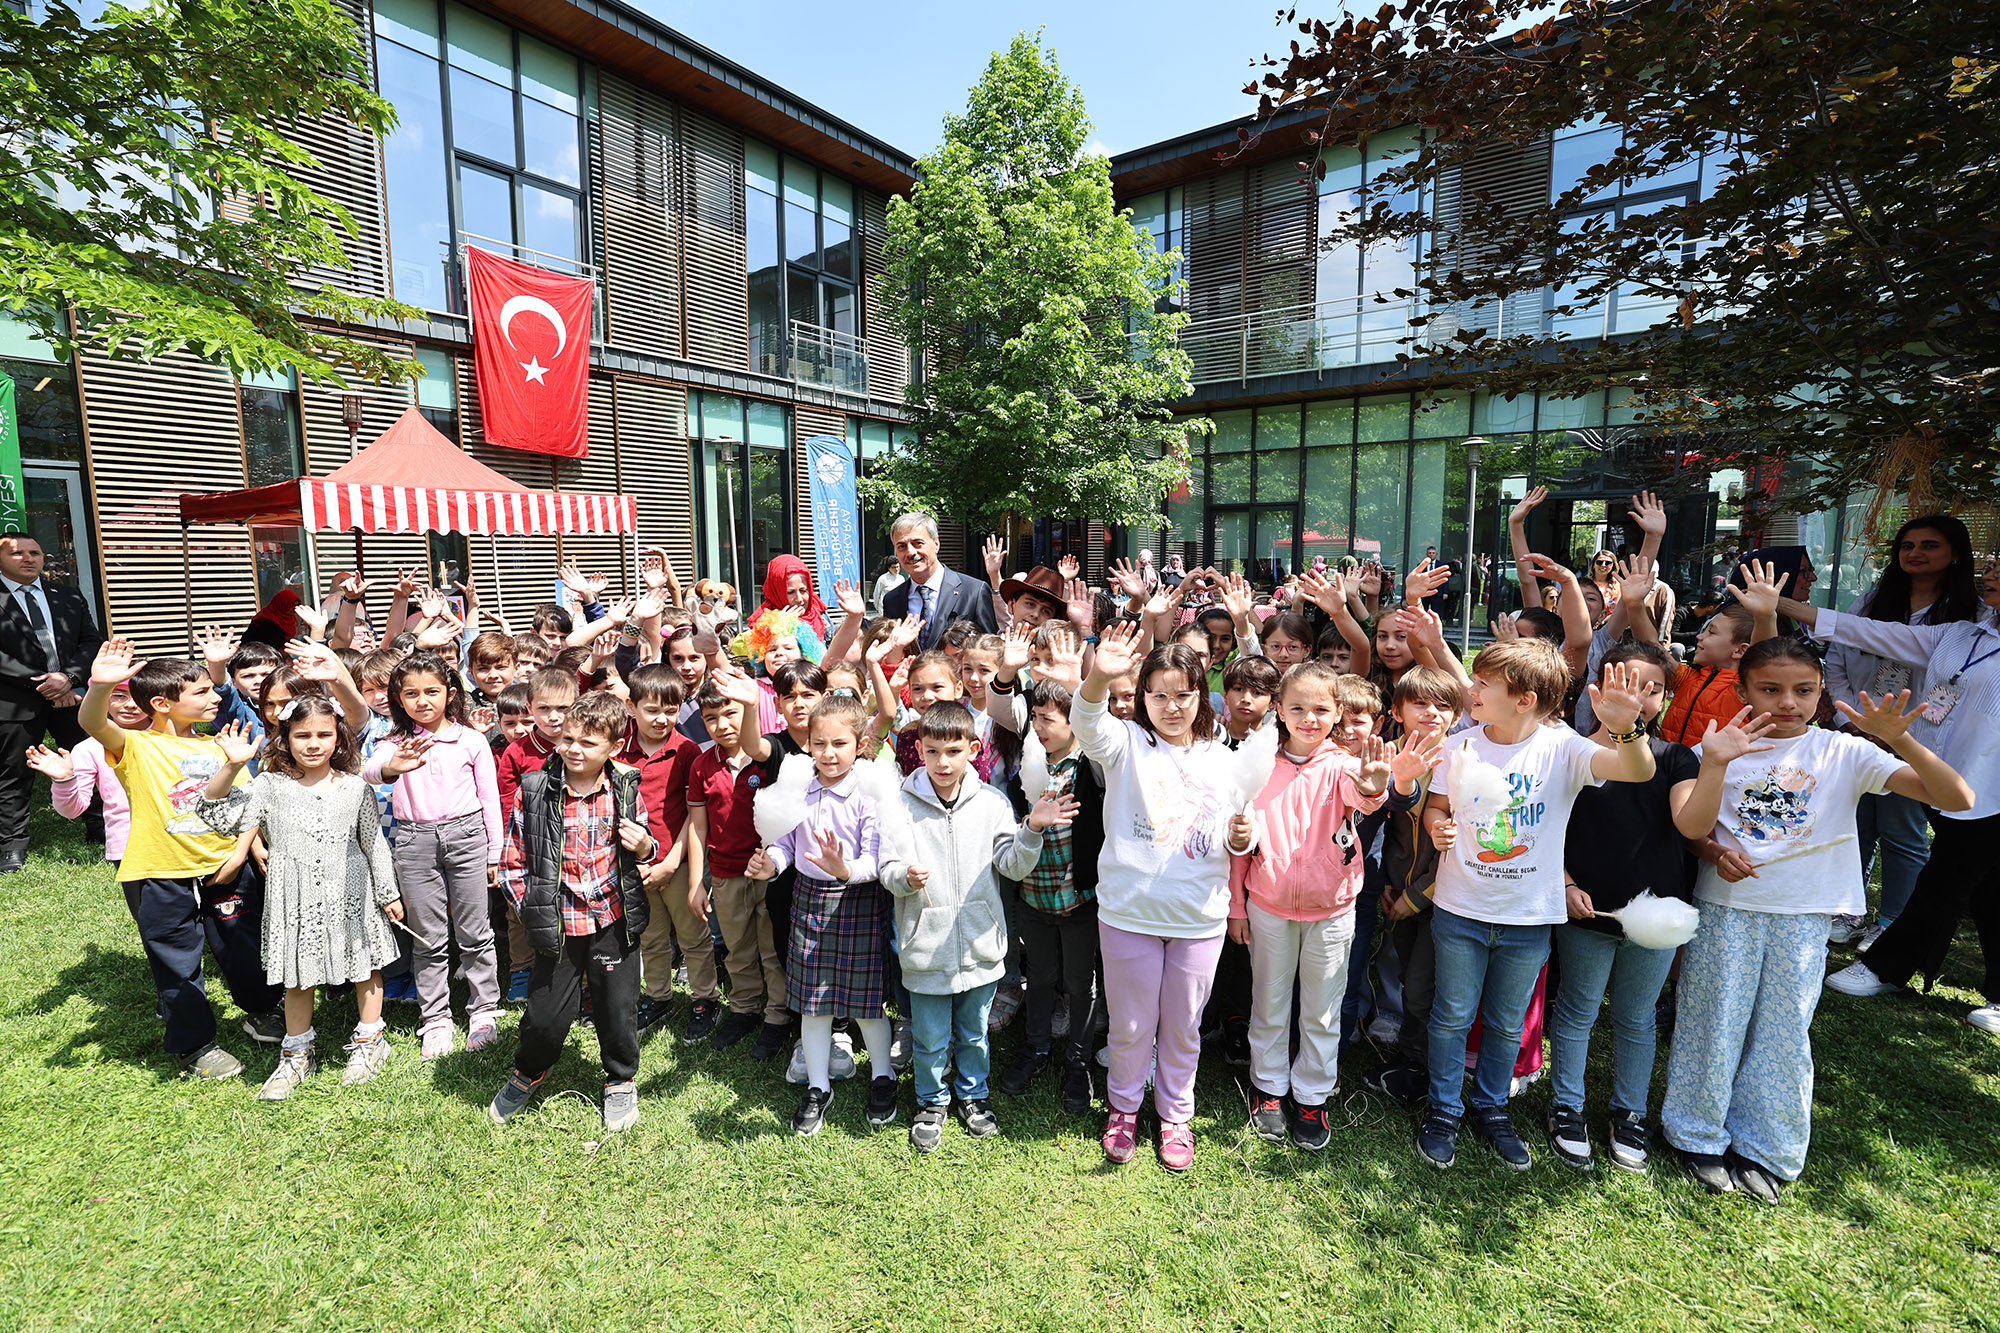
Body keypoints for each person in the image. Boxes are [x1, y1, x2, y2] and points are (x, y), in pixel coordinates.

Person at [1662, 635, 1971, 1202]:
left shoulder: (1843, 752)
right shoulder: (1721, 746)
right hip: (1727, 908)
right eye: (1770, 689)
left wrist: (1901, 739)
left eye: (1803, 690)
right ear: (1743, 691)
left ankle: (1766, 1146)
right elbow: (1691, 827)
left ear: (1821, 690)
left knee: (1785, 1033)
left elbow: (1957, 798)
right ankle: (1697, 1134)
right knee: (1712, 1022)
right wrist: (1716, 768)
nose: (1788, 702)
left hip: (1804, 915)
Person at [1417, 639, 1657, 1171]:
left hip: (1527, 919)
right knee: (1452, 1016)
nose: (1471, 689)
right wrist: (1437, 828)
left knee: (1507, 1023)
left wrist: (1626, 727)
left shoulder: (1563, 748)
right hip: (1460, 910)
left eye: (1484, 684)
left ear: (1524, 700)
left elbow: (1637, 770)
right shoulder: (1459, 746)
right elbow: (1436, 807)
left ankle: (1492, 1107)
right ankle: (1444, 1110)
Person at [1770, 561, 2000, 1035]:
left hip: (1988, 791)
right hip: (1946, 777)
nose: (1990, 571)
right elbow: (1865, 631)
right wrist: (1779, 605)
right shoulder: (1962, 634)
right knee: (1986, 889)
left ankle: (1886, 966)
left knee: (1946, 879)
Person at [1231, 661, 1437, 1151]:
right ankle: (1268, 1087)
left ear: (1337, 711)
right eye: (1297, 708)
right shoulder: (1256, 763)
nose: (1309, 718)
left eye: (1321, 710)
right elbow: (1238, 841)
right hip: (1268, 905)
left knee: (1323, 1008)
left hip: (1332, 909)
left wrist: (1376, 784)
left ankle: (1312, 1093)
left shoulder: (1344, 764)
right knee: (1269, 1001)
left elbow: (1365, 796)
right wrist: (1237, 905)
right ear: (1279, 709)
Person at [1067, 624, 1246, 1172]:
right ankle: (1123, 1108)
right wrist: (1100, 676)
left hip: (1198, 917)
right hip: (1129, 913)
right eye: (1158, 695)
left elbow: (1242, 828)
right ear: (1142, 697)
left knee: (1183, 1025)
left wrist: (1244, 837)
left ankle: (1175, 1116)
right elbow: (1086, 722)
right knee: (1129, 1025)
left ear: (1202, 694)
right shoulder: (1125, 744)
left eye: (1183, 694)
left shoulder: (1223, 756)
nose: (1171, 707)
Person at [79, 639, 284, 1077]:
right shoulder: (135, 746)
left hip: (227, 867)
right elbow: (91, 721)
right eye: (202, 692)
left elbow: (249, 805)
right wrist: (100, 685)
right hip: (161, 872)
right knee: (176, 960)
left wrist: (241, 854)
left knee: (244, 945)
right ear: (162, 704)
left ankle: (265, 1010)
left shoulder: (219, 746)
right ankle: (195, 1046)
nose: (216, 697)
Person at [1545, 641, 1705, 1173]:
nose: (1638, 698)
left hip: (1654, 916)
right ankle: (1566, 1106)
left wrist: (1717, 764)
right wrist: (1565, 882)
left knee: (1638, 1016)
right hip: (1587, 912)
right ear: (1598, 688)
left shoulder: (1676, 758)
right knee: (1577, 1009)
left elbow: (1689, 824)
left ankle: (1629, 1113)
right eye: (1627, 684)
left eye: (1652, 689)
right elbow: (1545, 829)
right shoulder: (1569, 753)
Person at [881, 701, 1065, 1153]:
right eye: (932, 752)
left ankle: (973, 1095)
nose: (942, 762)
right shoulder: (900, 805)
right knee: (929, 1038)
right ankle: (931, 1101)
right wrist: (904, 877)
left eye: (953, 751)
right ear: (918, 751)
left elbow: (1013, 866)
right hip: (925, 947)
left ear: (973, 749)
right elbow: (886, 867)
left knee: (974, 1033)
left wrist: (1031, 831)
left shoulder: (992, 804)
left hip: (981, 946)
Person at [197, 699, 405, 1099]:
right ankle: (297, 1053)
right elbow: (217, 815)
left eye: (324, 734)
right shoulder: (269, 786)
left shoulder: (355, 787)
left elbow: (373, 843)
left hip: (352, 892)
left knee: (365, 966)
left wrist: (387, 892)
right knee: (298, 973)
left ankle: (370, 1041)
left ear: (338, 738)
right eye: (302, 735)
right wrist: (232, 766)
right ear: (286, 739)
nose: (313, 744)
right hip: (294, 897)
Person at [488, 690, 660, 1134]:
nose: (574, 749)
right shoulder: (534, 790)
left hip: (612, 921)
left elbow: (647, 844)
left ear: (615, 746)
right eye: (568, 739)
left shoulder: (625, 787)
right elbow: (511, 863)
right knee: (544, 1018)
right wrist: (533, 909)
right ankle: (530, 1070)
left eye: (588, 742)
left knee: (617, 1010)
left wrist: (646, 846)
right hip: (559, 923)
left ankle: (620, 1079)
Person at [1823, 515, 1982, 947]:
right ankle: (1847, 909)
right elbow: (1836, 663)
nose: (1915, 553)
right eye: (1907, 545)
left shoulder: (1969, 618)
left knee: (1902, 830)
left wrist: (1902, 736)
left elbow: (1963, 687)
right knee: (1852, 824)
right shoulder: (1870, 603)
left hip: (1917, 740)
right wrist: (1851, 721)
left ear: (1955, 554)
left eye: (1929, 545)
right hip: (1856, 732)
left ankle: (1892, 921)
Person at [747, 695, 897, 1136]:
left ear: (860, 744)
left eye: (839, 744)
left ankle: (883, 1076)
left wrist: (844, 869)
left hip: (858, 899)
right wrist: (771, 864)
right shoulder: (797, 785)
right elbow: (786, 845)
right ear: (808, 743)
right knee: (813, 1005)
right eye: (819, 743)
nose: (828, 753)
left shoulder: (870, 792)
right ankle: (817, 1087)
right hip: (809, 899)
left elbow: (876, 860)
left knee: (867, 1003)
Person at [363, 651, 505, 1059]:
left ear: (450, 694)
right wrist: (395, 765)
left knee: (475, 931)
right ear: (398, 698)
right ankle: (436, 1018)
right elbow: (369, 772)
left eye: (432, 691)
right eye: (411, 693)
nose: (422, 701)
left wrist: (494, 853)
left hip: (468, 836)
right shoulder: (392, 743)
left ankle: (484, 1010)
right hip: (414, 841)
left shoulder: (470, 740)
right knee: (427, 935)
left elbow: (489, 799)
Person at [996, 678, 1106, 1112]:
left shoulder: (1090, 767)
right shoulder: (1028, 767)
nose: (1039, 727)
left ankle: (1079, 1060)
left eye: (1048, 719)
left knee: (1080, 982)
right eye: (1035, 719)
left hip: (1079, 899)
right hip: (1034, 897)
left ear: (1074, 721)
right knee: (1039, 976)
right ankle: (1036, 1048)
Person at [1363, 667, 1466, 1105]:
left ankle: (1420, 1068)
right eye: (1419, 703)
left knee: (1425, 988)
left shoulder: (1463, 760)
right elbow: (1385, 830)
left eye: (1443, 705)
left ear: (1457, 714)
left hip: (1441, 895)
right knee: (1410, 977)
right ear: (1397, 711)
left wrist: (1417, 895)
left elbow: (1459, 843)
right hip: (1398, 891)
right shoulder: (1386, 756)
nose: (1431, 713)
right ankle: (1411, 1058)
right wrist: (1390, 885)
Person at [685, 680, 791, 1060]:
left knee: (772, 948)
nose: (723, 725)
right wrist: (696, 883)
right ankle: (744, 1008)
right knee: (738, 947)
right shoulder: (702, 765)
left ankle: (778, 1015)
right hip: (725, 873)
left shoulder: (767, 757)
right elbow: (698, 827)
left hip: (767, 870)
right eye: (711, 718)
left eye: (731, 713)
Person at [623, 664, 716, 1044]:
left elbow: (695, 814)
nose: (662, 719)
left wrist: (672, 861)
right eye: (652, 710)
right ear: (631, 708)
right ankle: (658, 995)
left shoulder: (687, 751)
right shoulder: (618, 749)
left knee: (693, 934)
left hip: (677, 861)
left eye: (671, 710)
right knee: (651, 935)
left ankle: (705, 998)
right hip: (635, 865)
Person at [0, 531, 105, 868]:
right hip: (15, 700)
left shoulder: (68, 596)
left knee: (90, 763)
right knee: (15, 771)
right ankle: (12, 846)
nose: (28, 558)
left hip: (71, 697)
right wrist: (44, 683)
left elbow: (91, 641)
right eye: (16, 553)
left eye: (34, 552)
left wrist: (68, 678)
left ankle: (101, 828)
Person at [28, 680, 143, 865]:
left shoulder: (176, 739)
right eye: (119, 695)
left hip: (184, 842)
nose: (130, 704)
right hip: (128, 848)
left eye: (140, 695)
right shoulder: (89, 749)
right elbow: (72, 810)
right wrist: (64, 780)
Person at [878, 512, 999, 652]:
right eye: (901, 546)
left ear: (936, 544)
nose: (910, 552)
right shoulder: (892, 600)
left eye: (918, 543)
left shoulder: (974, 592)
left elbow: (990, 652)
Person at [756, 553, 829, 641]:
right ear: (776, 593)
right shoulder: (763, 624)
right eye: (790, 592)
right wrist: (782, 626)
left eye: (803, 590)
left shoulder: (818, 614)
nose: (799, 599)